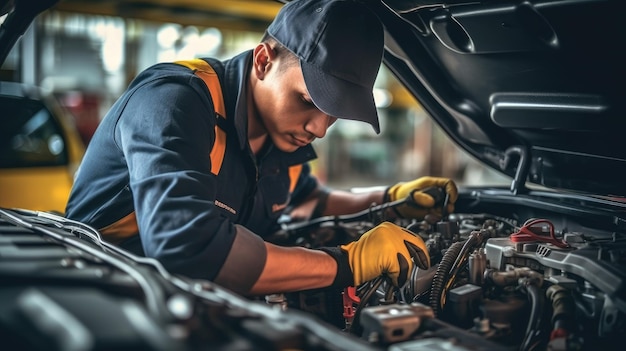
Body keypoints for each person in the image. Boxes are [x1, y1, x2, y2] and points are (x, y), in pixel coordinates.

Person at [65, 0, 458, 296]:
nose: (319, 128)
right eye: (309, 101)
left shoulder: (280, 135)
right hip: (99, 291)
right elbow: (185, 248)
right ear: (263, 60)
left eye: (334, 113)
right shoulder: (175, 103)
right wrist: (347, 263)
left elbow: (309, 201)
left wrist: (390, 198)